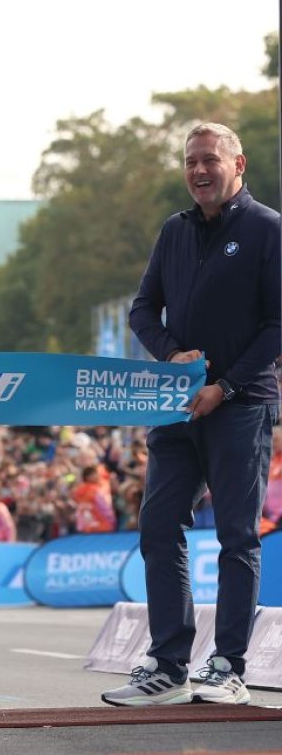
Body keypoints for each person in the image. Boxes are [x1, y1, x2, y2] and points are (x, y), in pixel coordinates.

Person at [103, 123, 280, 707]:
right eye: (190, 162)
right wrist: (171, 356)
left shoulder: (267, 229)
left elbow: (278, 324)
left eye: (209, 160)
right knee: (158, 527)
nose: (199, 171)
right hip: (175, 405)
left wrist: (225, 386)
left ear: (238, 164)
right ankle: (168, 662)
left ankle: (228, 664)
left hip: (241, 405)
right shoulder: (173, 231)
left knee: (235, 535)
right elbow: (141, 309)